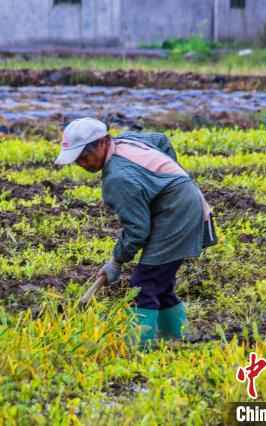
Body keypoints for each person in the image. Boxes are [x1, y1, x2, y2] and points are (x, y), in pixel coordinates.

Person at [55, 118, 217, 347]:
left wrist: (117, 261)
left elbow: (138, 230)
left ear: (102, 142)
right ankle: (175, 337)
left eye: (83, 156)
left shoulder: (118, 179)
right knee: (161, 281)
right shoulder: (128, 140)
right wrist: (168, 179)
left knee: (143, 285)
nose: (81, 163)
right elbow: (160, 140)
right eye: (77, 160)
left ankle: (139, 349)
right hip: (183, 204)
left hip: (176, 215)